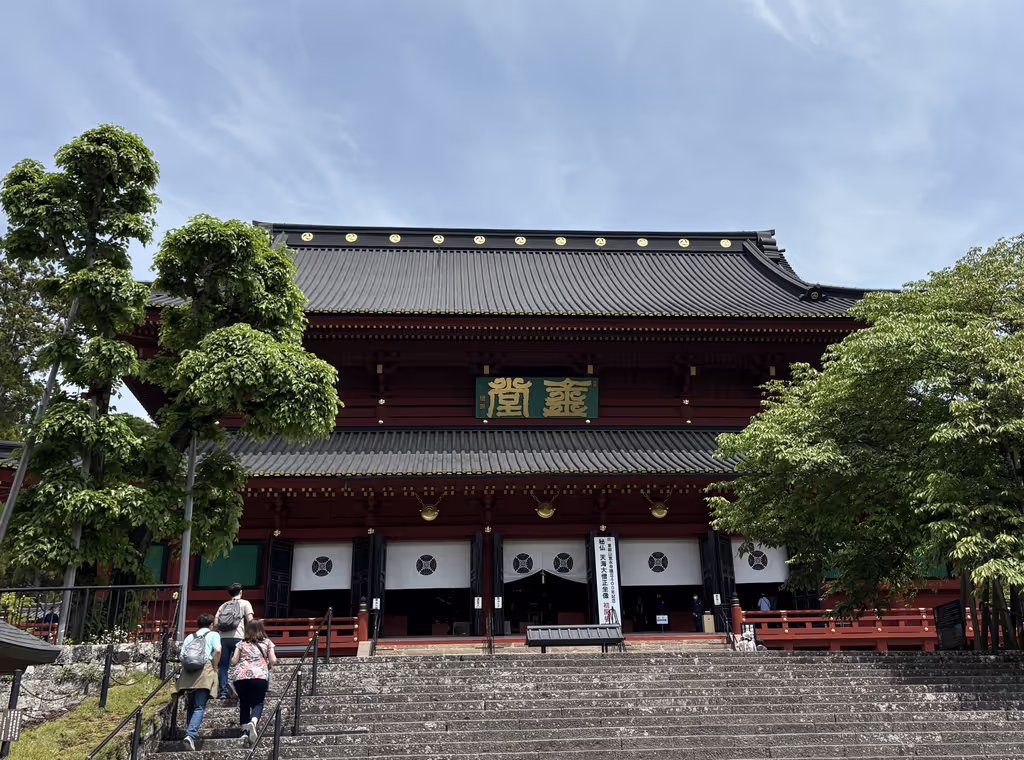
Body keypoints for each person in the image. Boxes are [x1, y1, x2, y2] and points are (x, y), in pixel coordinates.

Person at [175, 613, 221, 752]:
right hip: (205, 669)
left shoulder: (190, 636)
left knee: (191, 705)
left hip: (189, 672)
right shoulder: (214, 635)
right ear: (211, 625)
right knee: (200, 706)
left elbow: (182, 656)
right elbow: (218, 650)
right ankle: (191, 735)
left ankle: (189, 734)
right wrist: (214, 666)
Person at [231, 618, 278, 746]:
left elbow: (234, 661)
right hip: (259, 675)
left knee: (244, 703)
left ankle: (244, 731)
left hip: (241, 676)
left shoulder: (241, 643)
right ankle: (253, 721)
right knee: (258, 702)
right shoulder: (268, 642)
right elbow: (273, 660)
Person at [215, 583, 254, 699]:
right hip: (238, 637)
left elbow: (216, 623)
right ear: (241, 592)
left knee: (223, 666)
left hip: (223, 639)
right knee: (242, 663)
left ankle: (222, 692)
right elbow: (250, 621)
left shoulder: (223, 605)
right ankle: (239, 688)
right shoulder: (245, 603)